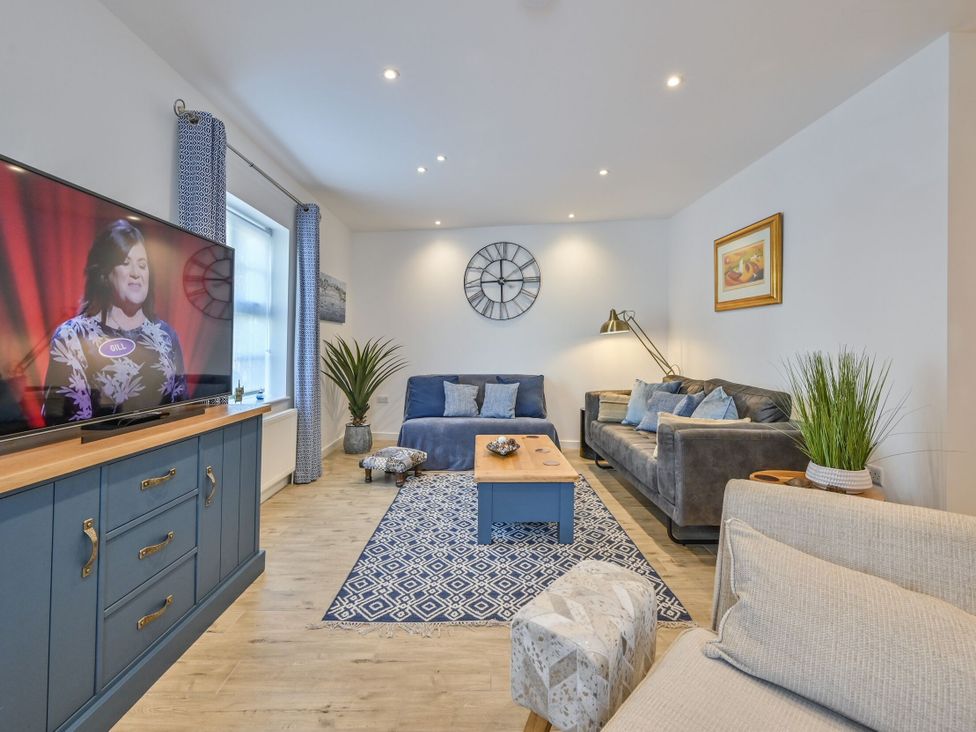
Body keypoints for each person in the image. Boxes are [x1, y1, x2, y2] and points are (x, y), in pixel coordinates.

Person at [42, 219, 187, 425]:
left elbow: (181, 408)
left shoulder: (166, 335)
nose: (136, 273)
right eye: (125, 263)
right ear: (104, 273)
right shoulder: (72, 336)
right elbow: (67, 426)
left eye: (142, 265)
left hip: (166, 449)